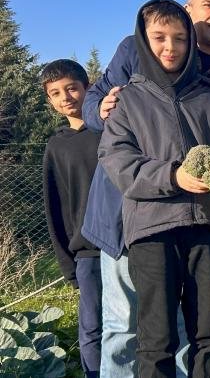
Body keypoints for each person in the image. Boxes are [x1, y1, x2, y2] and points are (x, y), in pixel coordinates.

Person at [80, 0, 210, 378]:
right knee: (141, 331)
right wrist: (174, 175)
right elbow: (114, 148)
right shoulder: (128, 93)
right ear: (191, 9)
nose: (170, 47)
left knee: (207, 333)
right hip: (144, 222)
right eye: (209, 5)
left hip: (208, 222)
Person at [41, 59, 102, 378]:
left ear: (87, 87)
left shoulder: (111, 131)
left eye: (71, 88)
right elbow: (55, 207)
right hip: (87, 253)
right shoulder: (56, 146)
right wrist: (68, 263)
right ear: (50, 100)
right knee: (91, 328)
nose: (65, 97)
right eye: (55, 93)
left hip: (127, 246)